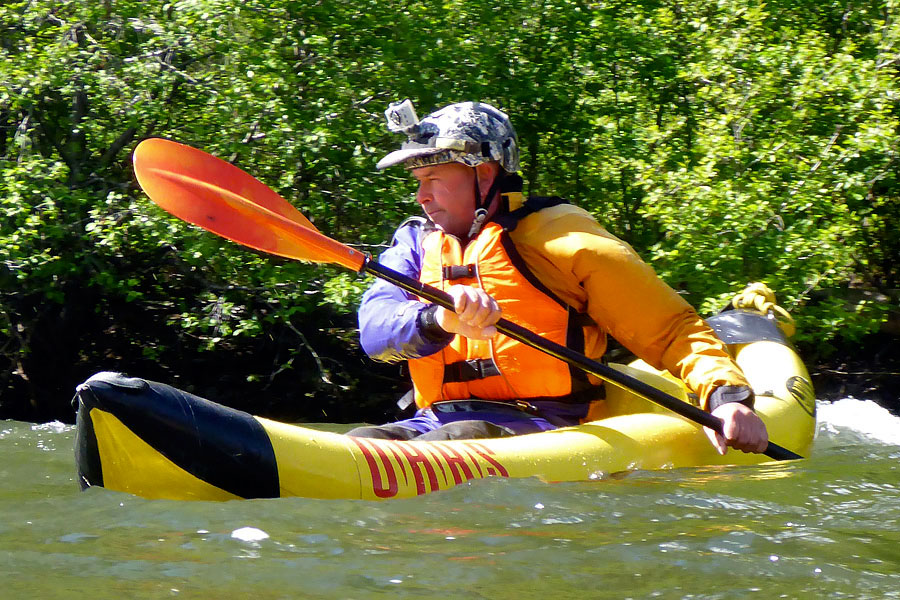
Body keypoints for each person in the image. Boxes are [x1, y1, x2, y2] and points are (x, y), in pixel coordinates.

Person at [351, 99, 768, 455]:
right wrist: (439, 320)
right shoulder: (413, 246)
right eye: (419, 182)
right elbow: (374, 332)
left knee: (461, 438)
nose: (422, 195)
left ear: (484, 175)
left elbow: (667, 329)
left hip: (545, 426)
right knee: (363, 440)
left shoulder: (562, 239)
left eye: (435, 179)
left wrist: (726, 397)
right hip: (432, 422)